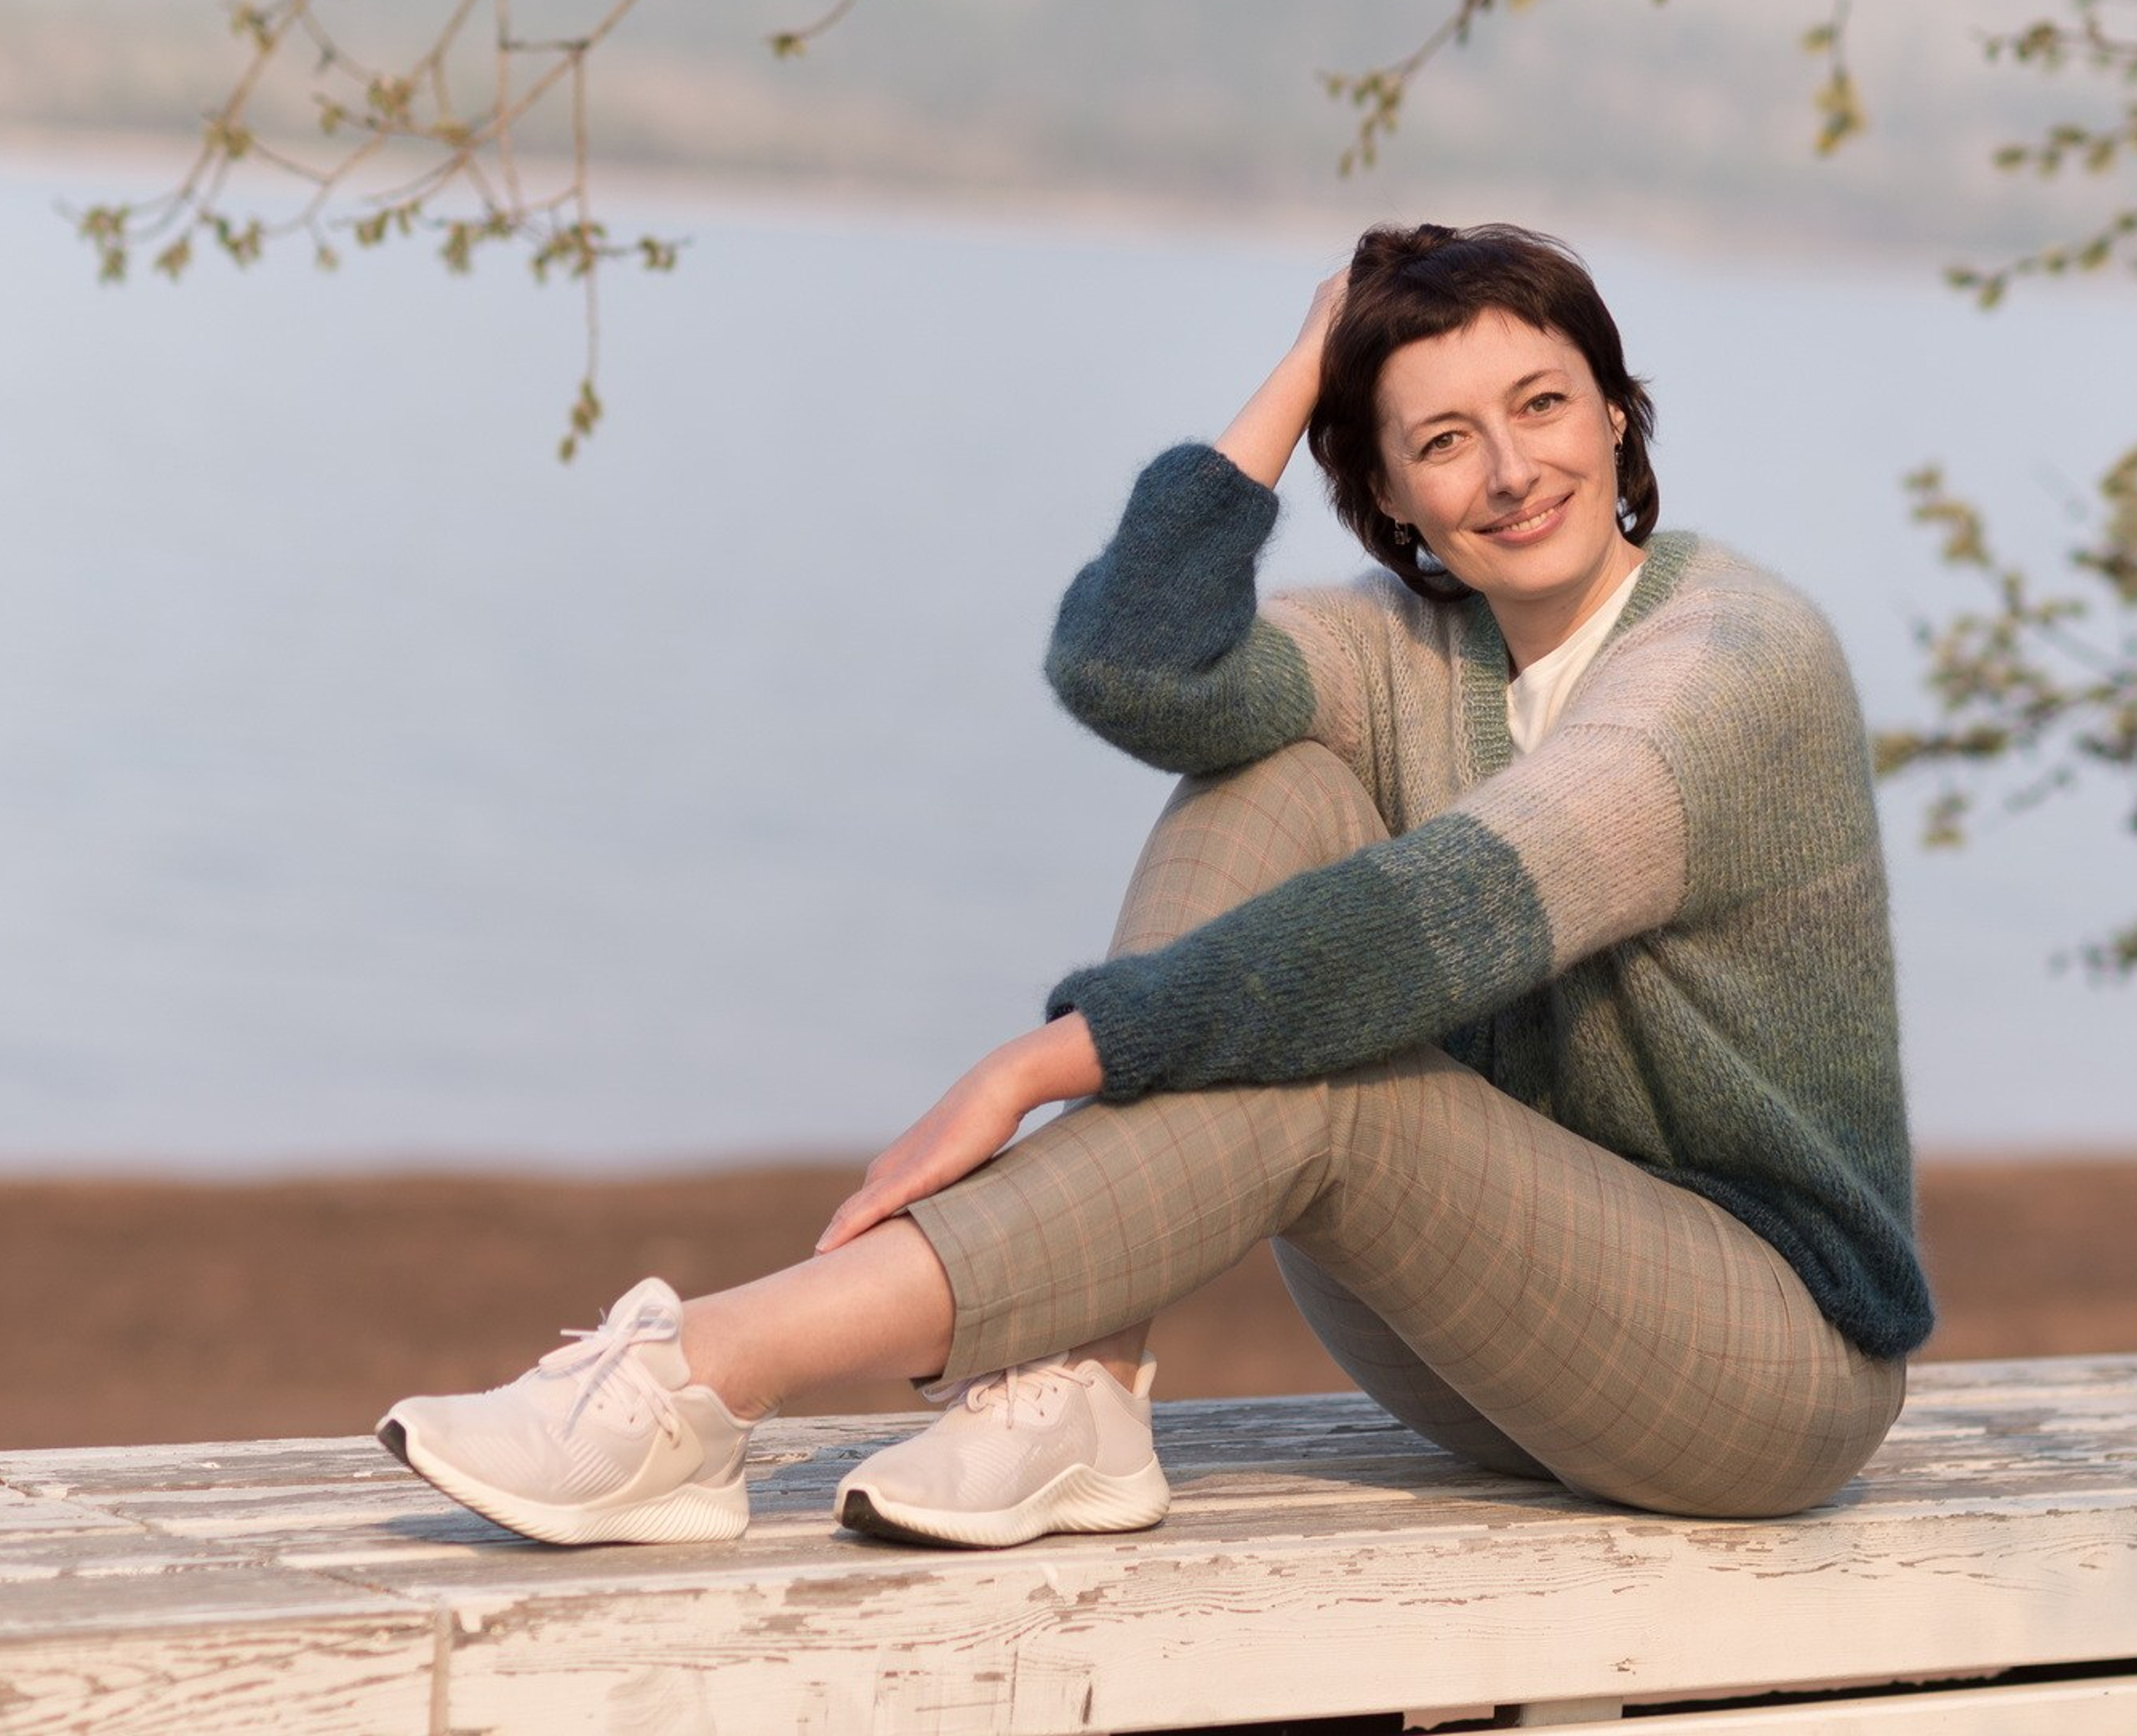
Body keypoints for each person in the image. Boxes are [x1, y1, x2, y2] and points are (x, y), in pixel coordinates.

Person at [378, 220, 1934, 1550]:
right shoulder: (1404, 654)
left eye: (1546, 405)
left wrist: (1042, 1063)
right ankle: (1087, 1388)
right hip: (1490, 1334)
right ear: (1388, 495)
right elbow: (1133, 664)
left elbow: (1431, 924)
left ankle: (705, 1374)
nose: (1513, 470)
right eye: (1443, 440)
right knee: (1263, 772)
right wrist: (1300, 374)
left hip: (1759, 1369)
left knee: (1341, 1073)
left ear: (1619, 416)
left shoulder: (1736, 661)